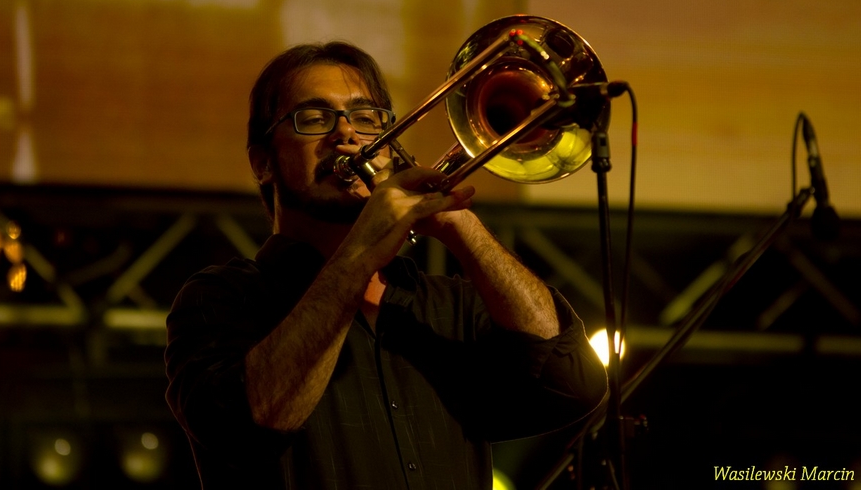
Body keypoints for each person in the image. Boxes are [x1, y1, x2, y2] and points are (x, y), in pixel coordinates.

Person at [164, 41, 608, 489]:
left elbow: (574, 383)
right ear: (263, 164)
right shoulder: (222, 299)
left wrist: (464, 228)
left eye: (366, 118)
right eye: (314, 119)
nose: (346, 135)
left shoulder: (452, 306)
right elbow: (247, 427)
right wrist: (362, 249)